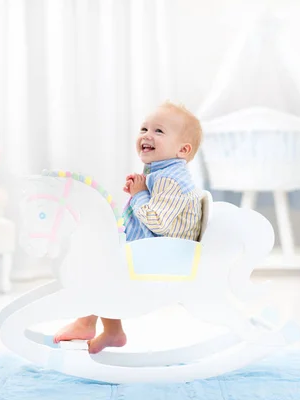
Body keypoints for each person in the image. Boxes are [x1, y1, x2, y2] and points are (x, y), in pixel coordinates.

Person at [53, 101, 203, 354]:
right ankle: (108, 329)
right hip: (154, 249)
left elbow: (159, 221)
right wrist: (139, 193)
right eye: (144, 128)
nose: (147, 135)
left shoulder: (170, 180)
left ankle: (91, 323)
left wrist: (141, 194)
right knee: (97, 252)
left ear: (183, 149)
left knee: (101, 264)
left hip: (164, 257)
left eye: (159, 131)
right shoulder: (160, 174)